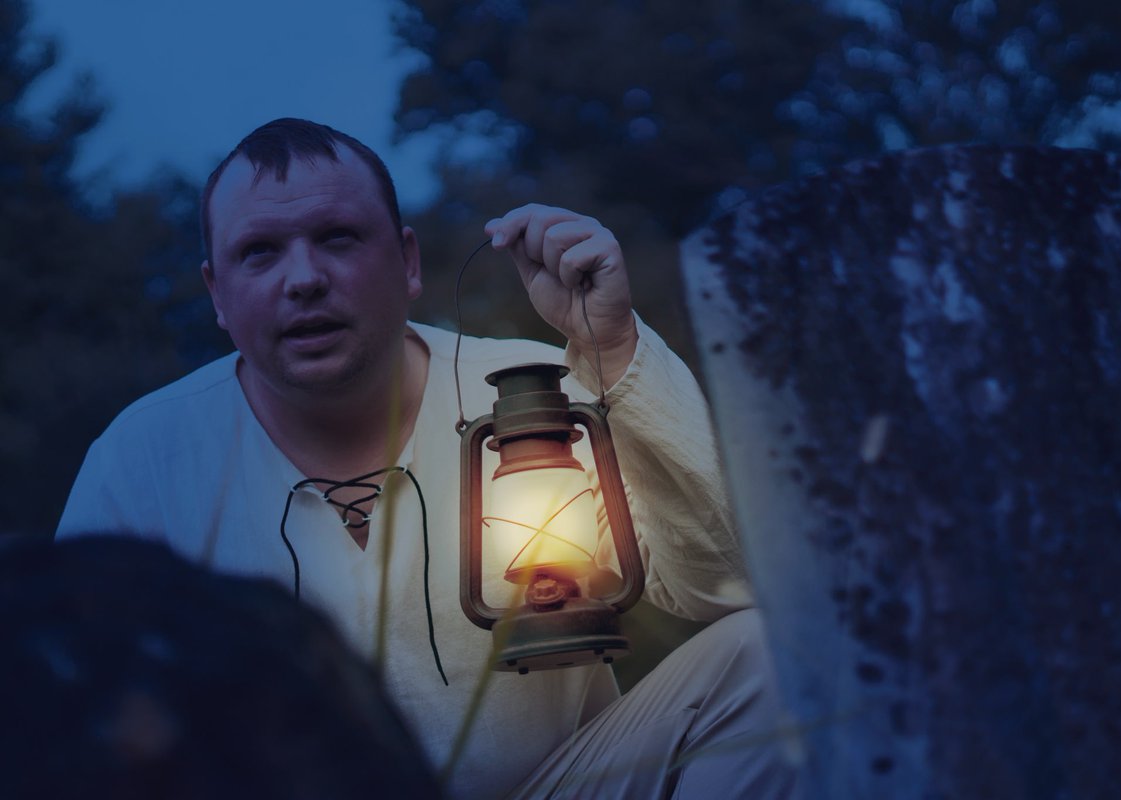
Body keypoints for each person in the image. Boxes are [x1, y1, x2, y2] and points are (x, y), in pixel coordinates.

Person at [57, 118, 799, 798]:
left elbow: (725, 582)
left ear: (407, 261)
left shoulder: (538, 394)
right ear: (217, 293)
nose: (304, 278)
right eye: (260, 252)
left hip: (557, 788)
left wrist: (612, 349)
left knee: (764, 658)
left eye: (339, 237)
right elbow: (69, 716)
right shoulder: (144, 460)